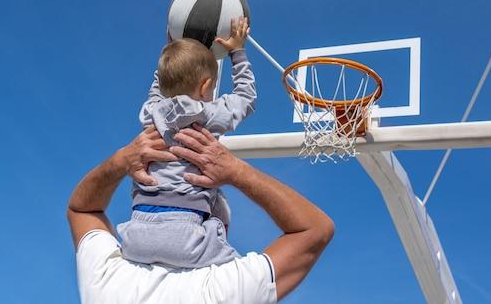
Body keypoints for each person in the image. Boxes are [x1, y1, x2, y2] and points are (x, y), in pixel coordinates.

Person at [68, 125, 334, 303]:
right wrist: (236, 172)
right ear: (220, 229)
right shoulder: (222, 289)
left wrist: (120, 162)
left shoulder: (110, 278)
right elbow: (315, 229)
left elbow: (82, 208)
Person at [118, 17, 255, 268]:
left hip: (135, 235)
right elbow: (246, 97)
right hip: (186, 236)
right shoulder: (208, 114)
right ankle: (216, 236)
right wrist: (238, 52)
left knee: (218, 198)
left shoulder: (151, 112)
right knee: (240, 267)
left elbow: (156, 89)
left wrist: (168, 56)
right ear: (206, 87)